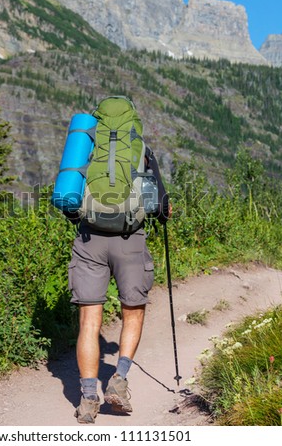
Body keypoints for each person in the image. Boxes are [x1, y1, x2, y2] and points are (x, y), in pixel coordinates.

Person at [65, 146, 171, 424]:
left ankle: (88, 399)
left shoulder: (86, 145)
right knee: (132, 312)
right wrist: (163, 213)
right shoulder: (142, 149)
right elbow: (159, 206)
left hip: (90, 241)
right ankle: (119, 380)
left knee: (89, 321)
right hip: (130, 240)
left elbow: (68, 201)